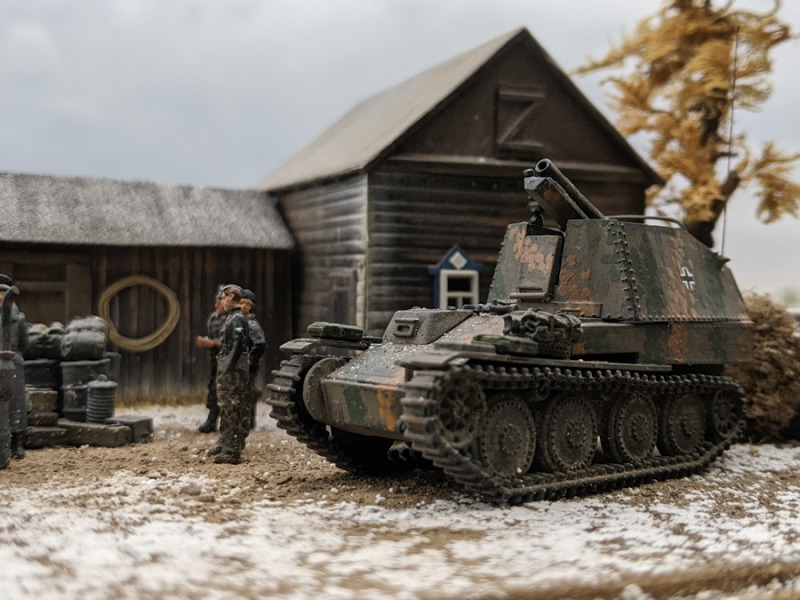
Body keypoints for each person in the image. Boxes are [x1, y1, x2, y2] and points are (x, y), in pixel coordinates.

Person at [208, 284, 251, 464]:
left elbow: (238, 344)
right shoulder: (230, 318)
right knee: (225, 406)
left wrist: (229, 364)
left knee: (232, 407)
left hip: (233, 370)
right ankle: (225, 441)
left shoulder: (237, 319)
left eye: (224, 297)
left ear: (232, 298)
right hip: (228, 367)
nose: (221, 301)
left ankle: (232, 448)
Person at [0, 276, 29, 460]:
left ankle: (17, 442)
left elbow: (25, 344)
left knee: (17, 402)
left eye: (3, 295)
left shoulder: (18, 319)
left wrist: (15, 354)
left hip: (14, 362)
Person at [195, 286, 226, 433]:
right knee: (213, 389)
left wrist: (214, 343)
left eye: (219, 301)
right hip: (216, 361)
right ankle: (212, 419)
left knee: (228, 392)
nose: (216, 305)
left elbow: (235, 343)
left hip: (230, 362)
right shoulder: (214, 319)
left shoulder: (235, 320)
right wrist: (208, 342)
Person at [240, 289, 266, 431]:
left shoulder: (251, 324)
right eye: (241, 303)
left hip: (248, 367)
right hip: (240, 365)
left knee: (248, 393)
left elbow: (260, 344)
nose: (243, 306)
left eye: (247, 304)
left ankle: (248, 422)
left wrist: (250, 360)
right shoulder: (239, 321)